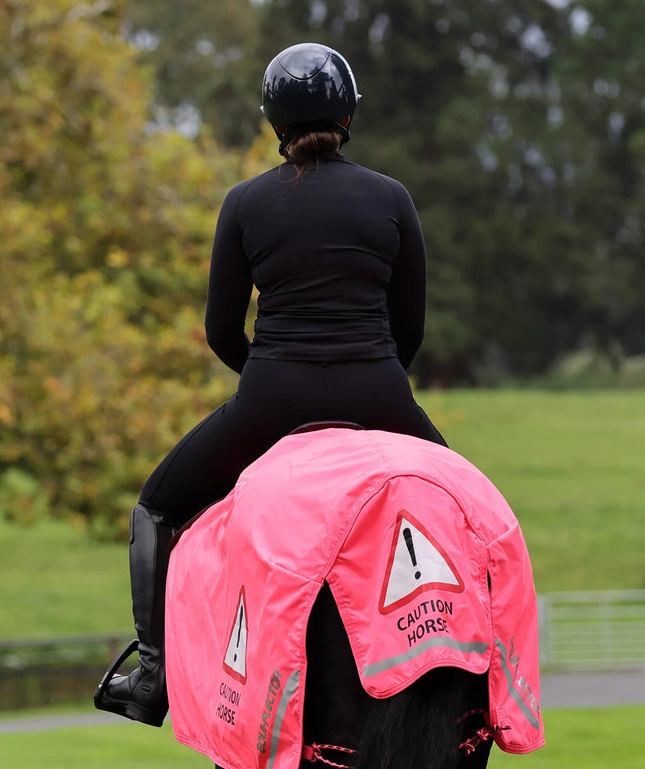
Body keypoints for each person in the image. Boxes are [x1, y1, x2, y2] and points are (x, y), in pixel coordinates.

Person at [95, 41, 447, 727]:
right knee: (473, 506)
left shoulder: (244, 202)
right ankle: (494, 669)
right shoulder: (392, 198)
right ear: (350, 114)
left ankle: (153, 677)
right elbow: (411, 329)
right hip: (378, 393)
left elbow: (221, 329)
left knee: (157, 507)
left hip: (271, 399)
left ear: (271, 120)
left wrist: (271, 377)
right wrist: (368, 380)